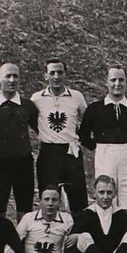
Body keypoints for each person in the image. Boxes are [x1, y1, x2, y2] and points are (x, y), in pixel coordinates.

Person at [78, 64, 127, 211]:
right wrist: (97, 147)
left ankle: (125, 228)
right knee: (106, 193)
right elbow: (83, 135)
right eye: (113, 80)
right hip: (105, 154)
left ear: (126, 82)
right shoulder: (95, 109)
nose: (117, 84)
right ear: (107, 82)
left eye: (121, 80)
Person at [31, 58, 90, 211]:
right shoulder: (37, 98)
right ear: (45, 76)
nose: (56, 77)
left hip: (71, 151)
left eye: (60, 72)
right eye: (52, 73)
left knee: (78, 198)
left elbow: (87, 119)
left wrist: (79, 137)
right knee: (49, 197)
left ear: (65, 75)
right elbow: (33, 120)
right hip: (48, 152)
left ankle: (78, 231)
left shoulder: (76, 96)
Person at [0, 62, 39, 220]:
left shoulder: (27, 105)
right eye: (7, 76)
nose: (12, 80)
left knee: (24, 210)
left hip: (24, 163)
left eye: (16, 76)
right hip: (0, 163)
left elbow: (42, 130)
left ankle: (22, 244)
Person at [16, 185, 84, 253]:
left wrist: (77, 236)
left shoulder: (66, 218)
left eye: (54, 200)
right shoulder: (28, 218)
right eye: (46, 199)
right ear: (40, 201)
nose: (50, 204)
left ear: (60, 202)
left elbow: (73, 241)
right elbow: (14, 240)